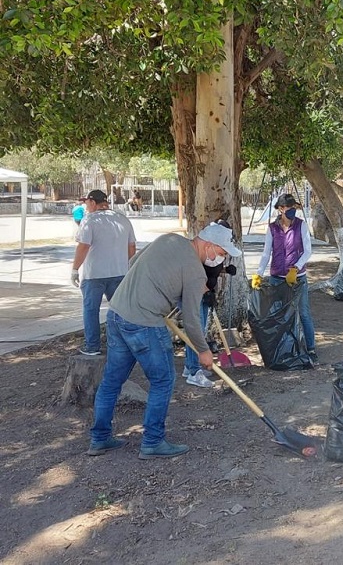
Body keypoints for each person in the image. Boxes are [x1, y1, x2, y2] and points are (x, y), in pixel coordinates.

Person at [87, 222, 242, 459]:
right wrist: (203, 351)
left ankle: (99, 439)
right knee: (163, 380)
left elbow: (133, 263)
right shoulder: (195, 271)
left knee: (111, 381)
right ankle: (152, 441)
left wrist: (158, 288)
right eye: (221, 254)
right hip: (144, 323)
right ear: (210, 245)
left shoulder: (168, 239)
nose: (220, 260)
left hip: (117, 314)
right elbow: (191, 319)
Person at [253, 193, 318, 364]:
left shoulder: (301, 226)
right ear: (281, 209)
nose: (292, 211)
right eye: (289, 208)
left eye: (294, 208)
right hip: (276, 278)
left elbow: (308, 250)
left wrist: (296, 268)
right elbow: (267, 253)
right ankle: (283, 347)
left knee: (303, 312)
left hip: (298, 278)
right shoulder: (272, 228)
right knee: (279, 314)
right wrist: (259, 273)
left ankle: (311, 348)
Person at [71, 190, 137, 356]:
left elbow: (83, 246)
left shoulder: (90, 220)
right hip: (119, 272)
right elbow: (131, 247)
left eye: (86, 202)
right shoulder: (122, 219)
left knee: (91, 310)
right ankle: (121, 344)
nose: (85, 206)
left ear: (93, 202)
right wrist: (130, 266)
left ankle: (92, 346)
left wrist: (74, 269)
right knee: (120, 310)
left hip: (94, 274)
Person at [183, 220, 238, 387]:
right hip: (197, 294)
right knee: (196, 329)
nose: (223, 254)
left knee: (200, 327)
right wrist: (206, 292)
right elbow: (196, 275)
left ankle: (189, 366)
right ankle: (193, 371)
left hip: (208, 293)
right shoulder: (198, 254)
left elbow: (213, 268)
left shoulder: (217, 254)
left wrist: (225, 270)